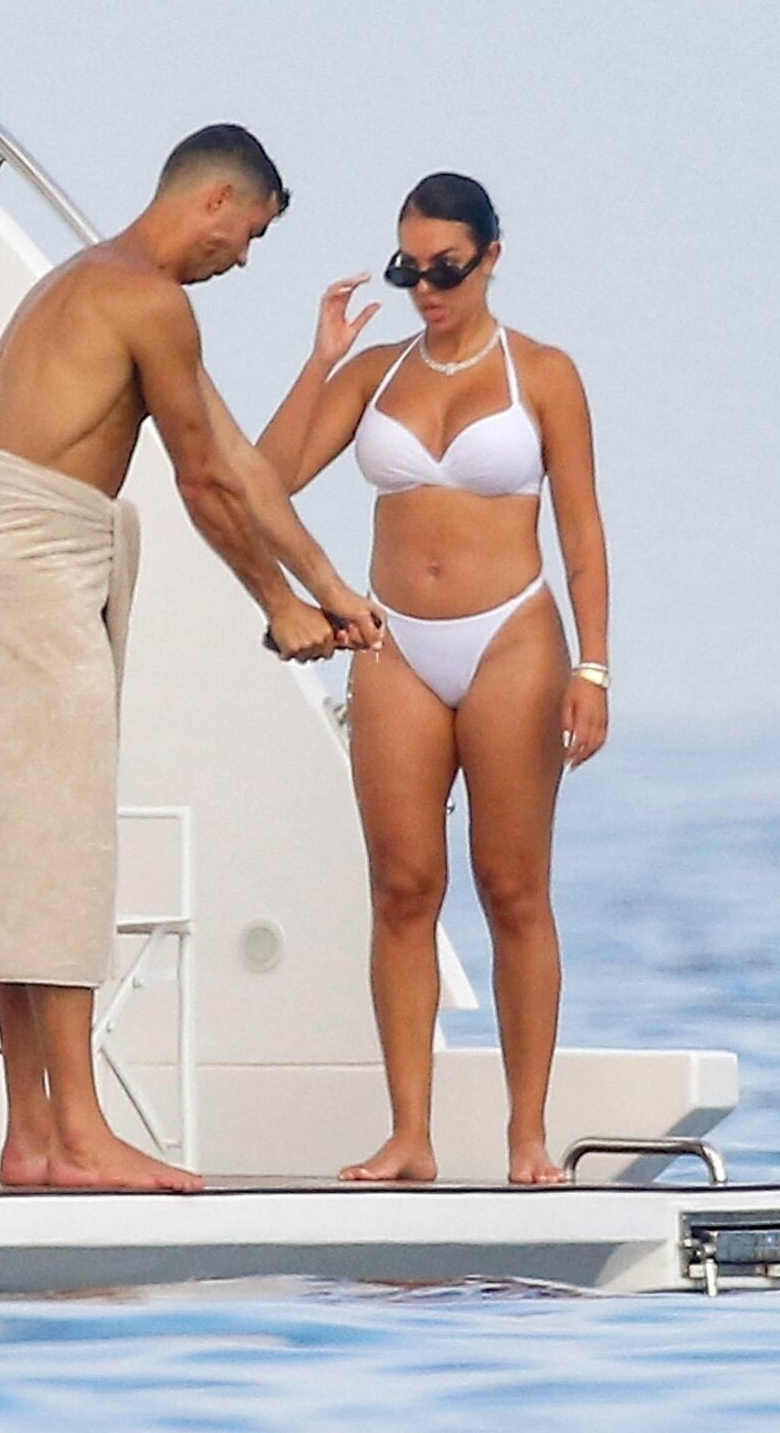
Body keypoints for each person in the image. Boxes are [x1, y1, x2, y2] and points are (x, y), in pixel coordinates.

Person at [0, 124, 381, 1195]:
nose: (244, 260)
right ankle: (80, 1134)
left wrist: (327, 590)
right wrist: (277, 604)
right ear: (214, 200)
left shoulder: (100, 283)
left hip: (1, 574)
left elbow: (239, 461)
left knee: (22, 850)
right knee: (53, 851)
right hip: (28, 577)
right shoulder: (147, 298)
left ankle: (35, 1137)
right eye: (250, 234)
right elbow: (201, 482)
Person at [256, 172, 610, 1185]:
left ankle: (526, 1138)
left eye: (444, 269)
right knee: (404, 887)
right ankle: (409, 1136)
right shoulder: (375, 374)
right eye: (407, 270)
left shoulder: (543, 373)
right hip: (395, 642)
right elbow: (264, 479)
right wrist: (320, 364)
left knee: (512, 887)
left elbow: (581, 533)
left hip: (512, 637)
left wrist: (593, 666)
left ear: (490, 257)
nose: (425, 290)